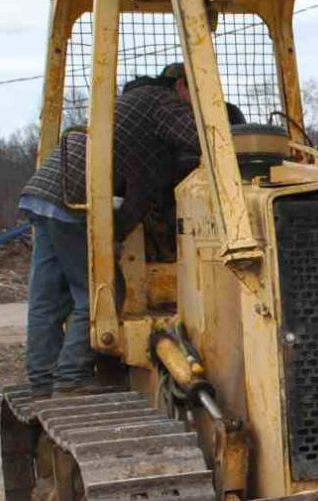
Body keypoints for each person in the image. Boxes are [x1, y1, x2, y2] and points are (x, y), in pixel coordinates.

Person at [19, 63, 215, 396]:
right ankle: (72, 376)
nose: (194, 106)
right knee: (102, 292)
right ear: (181, 85)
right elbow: (201, 140)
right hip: (75, 199)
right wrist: (231, 144)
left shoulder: (133, 106)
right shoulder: (161, 100)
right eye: (195, 96)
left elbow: (138, 182)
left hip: (45, 193)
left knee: (48, 298)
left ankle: (41, 377)